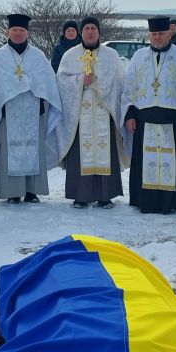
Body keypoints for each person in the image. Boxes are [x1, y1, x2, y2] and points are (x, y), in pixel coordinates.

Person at [0, 14, 62, 203]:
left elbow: (48, 82)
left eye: (22, 31)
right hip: (9, 114)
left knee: (34, 149)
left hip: (34, 112)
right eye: (15, 30)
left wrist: (35, 90)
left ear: (28, 33)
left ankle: (32, 192)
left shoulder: (38, 56)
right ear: (8, 31)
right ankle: (13, 192)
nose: (18, 33)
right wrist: (3, 98)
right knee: (11, 151)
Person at [121, 15, 176, 214]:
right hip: (144, 120)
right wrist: (129, 115)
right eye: (153, 34)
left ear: (170, 33)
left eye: (161, 33)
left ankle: (175, 201)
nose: (157, 37)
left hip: (173, 121)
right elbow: (129, 89)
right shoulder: (138, 57)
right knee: (146, 163)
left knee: (174, 162)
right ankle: (143, 200)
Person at [56, 16, 127, 208]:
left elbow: (119, 82)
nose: (90, 32)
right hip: (80, 115)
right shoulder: (70, 55)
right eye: (86, 28)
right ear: (81, 32)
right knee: (81, 155)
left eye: (93, 28)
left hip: (105, 112)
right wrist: (80, 81)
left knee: (105, 153)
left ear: (99, 32)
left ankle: (106, 196)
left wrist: (98, 83)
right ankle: (81, 196)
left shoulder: (111, 55)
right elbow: (61, 82)